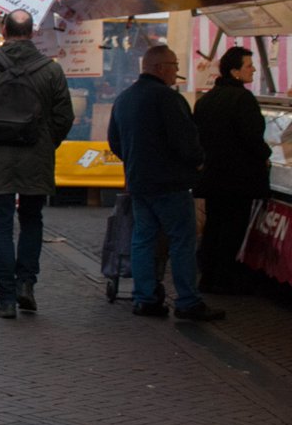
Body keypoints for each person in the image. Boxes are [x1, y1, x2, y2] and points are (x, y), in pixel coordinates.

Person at [0, 10, 74, 319]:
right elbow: (64, 117)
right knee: (32, 220)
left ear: (3, 31)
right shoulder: (51, 71)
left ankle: (6, 298)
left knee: (1, 225)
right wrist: (46, 144)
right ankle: (26, 284)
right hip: (36, 157)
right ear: (32, 32)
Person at [109, 45, 225, 321]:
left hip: (139, 181)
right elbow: (186, 141)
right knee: (182, 241)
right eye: (174, 66)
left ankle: (144, 297)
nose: (176, 72)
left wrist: (134, 159)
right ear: (159, 67)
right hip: (170, 183)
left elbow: (115, 140)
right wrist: (197, 161)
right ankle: (187, 301)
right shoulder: (167, 99)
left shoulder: (125, 98)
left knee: (143, 239)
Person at [193, 46, 271, 295]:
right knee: (232, 228)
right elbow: (252, 137)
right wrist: (266, 155)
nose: (254, 69)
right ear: (235, 71)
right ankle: (223, 279)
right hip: (238, 178)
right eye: (249, 65)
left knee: (214, 225)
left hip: (214, 175)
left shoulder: (207, 98)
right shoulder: (242, 99)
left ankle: (207, 276)